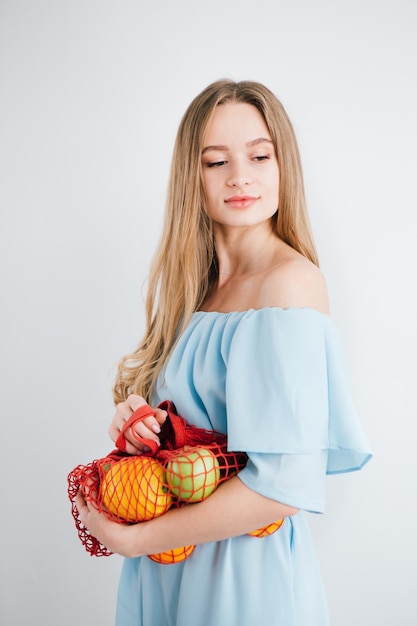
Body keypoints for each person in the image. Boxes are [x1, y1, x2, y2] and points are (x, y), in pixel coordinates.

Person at [76, 79, 372, 625]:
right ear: (193, 175)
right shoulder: (193, 290)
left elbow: (282, 488)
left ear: (284, 165)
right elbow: (193, 433)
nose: (240, 176)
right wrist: (138, 426)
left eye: (260, 155)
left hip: (242, 577)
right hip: (171, 568)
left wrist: (133, 540)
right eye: (216, 162)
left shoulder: (290, 285)